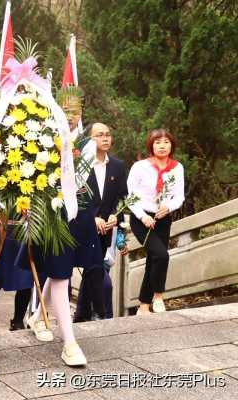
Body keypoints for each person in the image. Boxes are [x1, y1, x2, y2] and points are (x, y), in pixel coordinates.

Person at [26, 88, 94, 367]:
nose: (71, 117)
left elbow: (82, 179)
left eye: (76, 112)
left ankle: (38, 315)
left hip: (77, 211)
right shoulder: (39, 138)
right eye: (66, 111)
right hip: (51, 211)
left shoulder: (85, 142)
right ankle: (69, 342)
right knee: (60, 273)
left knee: (62, 270)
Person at [74, 123, 128, 322]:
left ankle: (81, 316)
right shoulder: (79, 165)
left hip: (106, 231)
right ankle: (103, 315)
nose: (105, 138)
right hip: (84, 229)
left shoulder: (117, 166)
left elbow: (122, 196)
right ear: (89, 139)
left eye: (108, 135)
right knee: (99, 276)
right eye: (99, 135)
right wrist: (91, 218)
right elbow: (74, 197)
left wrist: (116, 214)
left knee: (92, 272)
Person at [127, 129, 184, 315]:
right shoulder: (140, 167)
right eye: (158, 142)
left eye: (166, 142)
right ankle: (158, 296)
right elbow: (130, 196)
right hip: (141, 219)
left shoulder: (177, 168)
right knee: (161, 255)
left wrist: (169, 207)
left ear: (171, 145)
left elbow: (179, 197)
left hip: (162, 219)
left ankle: (143, 306)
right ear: (151, 145)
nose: (162, 145)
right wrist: (143, 216)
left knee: (153, 260)